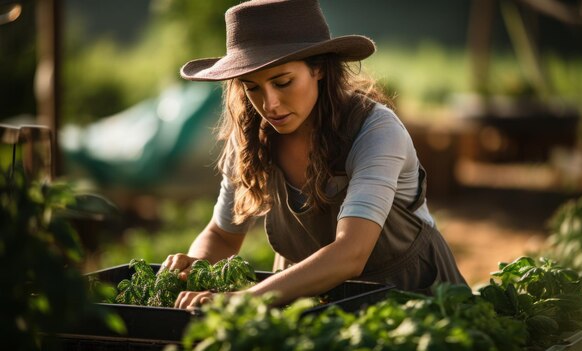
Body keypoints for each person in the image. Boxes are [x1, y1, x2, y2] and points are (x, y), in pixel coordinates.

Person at [162, 0, 467, 310]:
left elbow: (351, 253)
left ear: (318, 67)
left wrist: (243, 300)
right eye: (251, 87)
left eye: (283, 82)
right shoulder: (253, 139)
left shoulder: (375, 130)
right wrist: (196, 264)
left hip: (412, 298)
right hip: (308, 298)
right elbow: (223, 236)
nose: (270, 105)